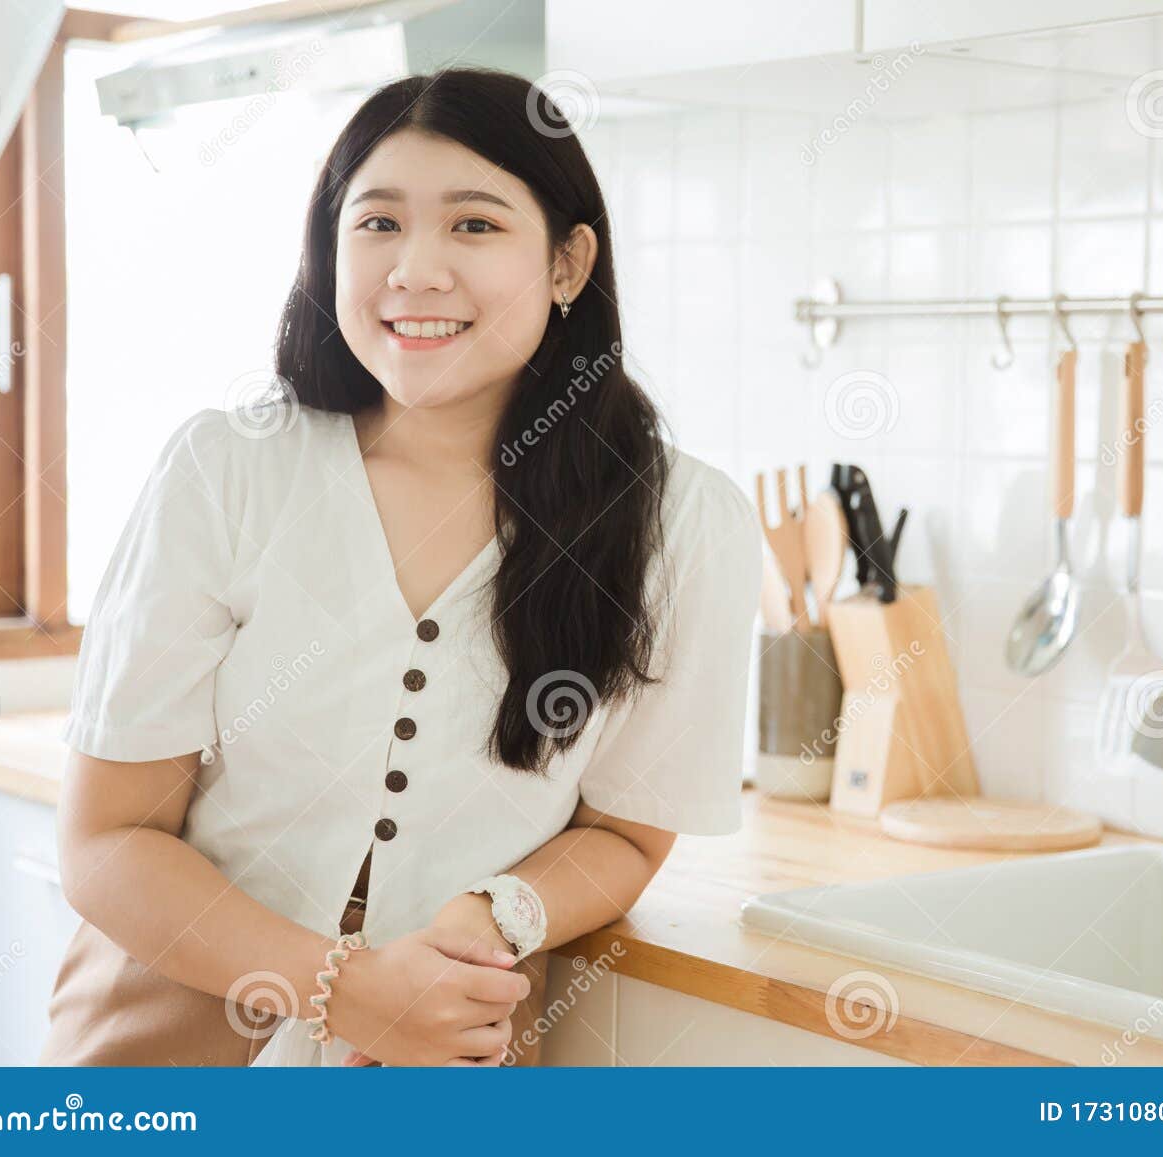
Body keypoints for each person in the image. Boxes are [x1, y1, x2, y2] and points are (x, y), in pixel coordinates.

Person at [39, 66, 763, 1067]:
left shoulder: (686, 523)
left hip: (448, 1036)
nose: (415, 268)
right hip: (168, 1030)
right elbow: (105, 839)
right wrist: (341, 988)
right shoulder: (230, 470)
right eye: (376, 223)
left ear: (566, 263)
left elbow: (629, 835)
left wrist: (499, 911)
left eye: (473, 225)